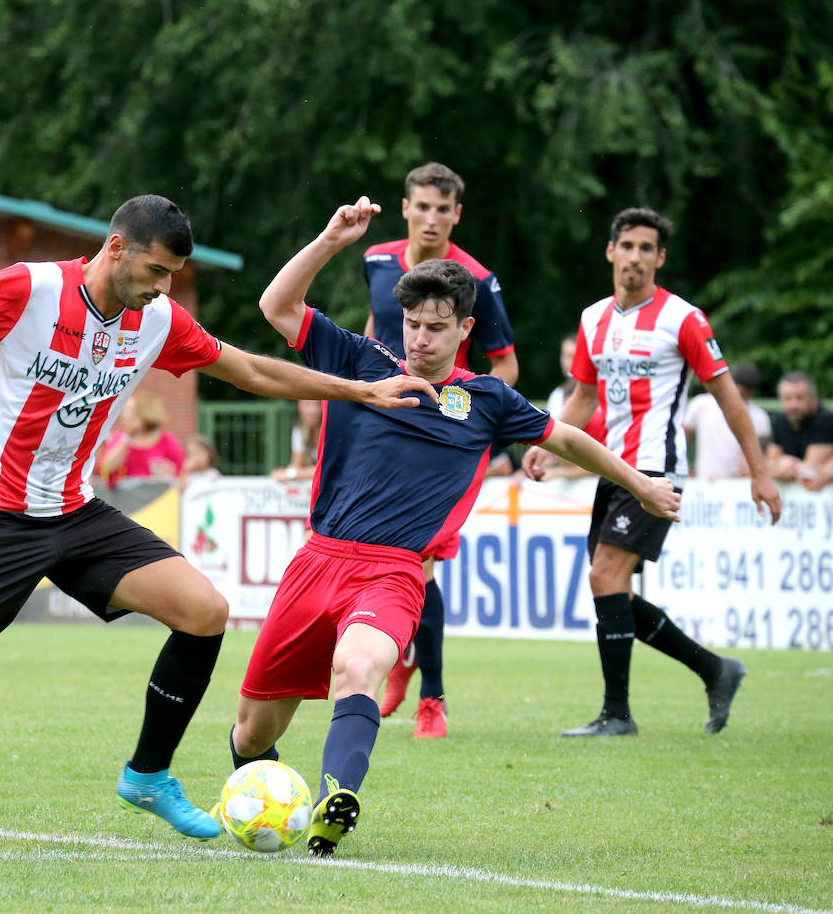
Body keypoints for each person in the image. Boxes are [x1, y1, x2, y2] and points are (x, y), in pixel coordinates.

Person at [0, 193, 436, 857]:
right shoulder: (32, 288)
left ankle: (148, 774)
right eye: (156, 272)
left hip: (74, 511)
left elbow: (244, 368)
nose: (162, 289)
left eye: (171, 279)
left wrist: (359, 390)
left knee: (204, 610)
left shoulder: (156, 318)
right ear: (118, 248)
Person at [228, 198, 679, 857]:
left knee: (359, 668)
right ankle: (255, 802)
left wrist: (639, 484)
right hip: (317, 562)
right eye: (412, 323)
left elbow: (570, 439)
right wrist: (329, 238)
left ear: (465, 327)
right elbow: (277, 308)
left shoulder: (488, 401)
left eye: (437, 327)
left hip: (394, 572)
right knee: (249, 732)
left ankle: (333, 805)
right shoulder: (362, 362)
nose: (420, 339)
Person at [522, 206, 782, 737]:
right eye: (627, 246)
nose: (635, 257)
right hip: (611, 469)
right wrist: (546, 443)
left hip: (656, 470)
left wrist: (760, 470)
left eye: (647, 248)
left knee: (604, 577)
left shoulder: (684, 319)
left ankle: (617, 715)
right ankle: (716, 670)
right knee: (613, 591)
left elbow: (727, 397)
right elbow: (583, 397)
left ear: (659, 259)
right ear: (610, 251)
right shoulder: (593, 318)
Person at [361, 162, 518, 738]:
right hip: (382, 419)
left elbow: (505, 361)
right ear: (405, 208)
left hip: (443, 428)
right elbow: (373, 332)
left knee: (420, 561)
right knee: (382, 554)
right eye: (420, 206)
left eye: (441, 208)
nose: (430, 217)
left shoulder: (475, 276)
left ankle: (433, 697)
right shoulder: (376, 259)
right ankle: (401, 661)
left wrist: (486, 430)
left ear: (457, 214)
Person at [684, 362, 771, 480]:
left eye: (745, 395)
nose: (739, 399)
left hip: (741, 487)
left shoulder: (760, 417)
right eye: (737, 392)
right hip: (703, 483)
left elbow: (762, 455)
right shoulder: (701, 404)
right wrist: (685, 470)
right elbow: (682, 437)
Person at [765, 371, 833, 491]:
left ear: (814, 398)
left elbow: (809, 472)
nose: (793, 405)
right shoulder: (780, 421)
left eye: (799, 398)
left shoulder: (826, 420)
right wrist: (781, 466)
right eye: (787, 398)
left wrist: (788, 465)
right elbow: (770, 465)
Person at [99, 392, 185, 486]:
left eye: (128, 410)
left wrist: (168, 477)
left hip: (158, 498)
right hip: (125, 498)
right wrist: (128, 437)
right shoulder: (120, 437)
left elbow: (182, 475)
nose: (122, 415)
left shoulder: (166, 440)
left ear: (144, 413)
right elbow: (106, 469)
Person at [270, 399, 321, 483]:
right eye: (307, 405)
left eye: (318, 404)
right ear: (299, 406)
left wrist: (290, 474)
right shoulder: (299, 430)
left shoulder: (330, 429)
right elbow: (296, 464)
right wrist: (284, 473)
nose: (314, 411)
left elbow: (326, 470)